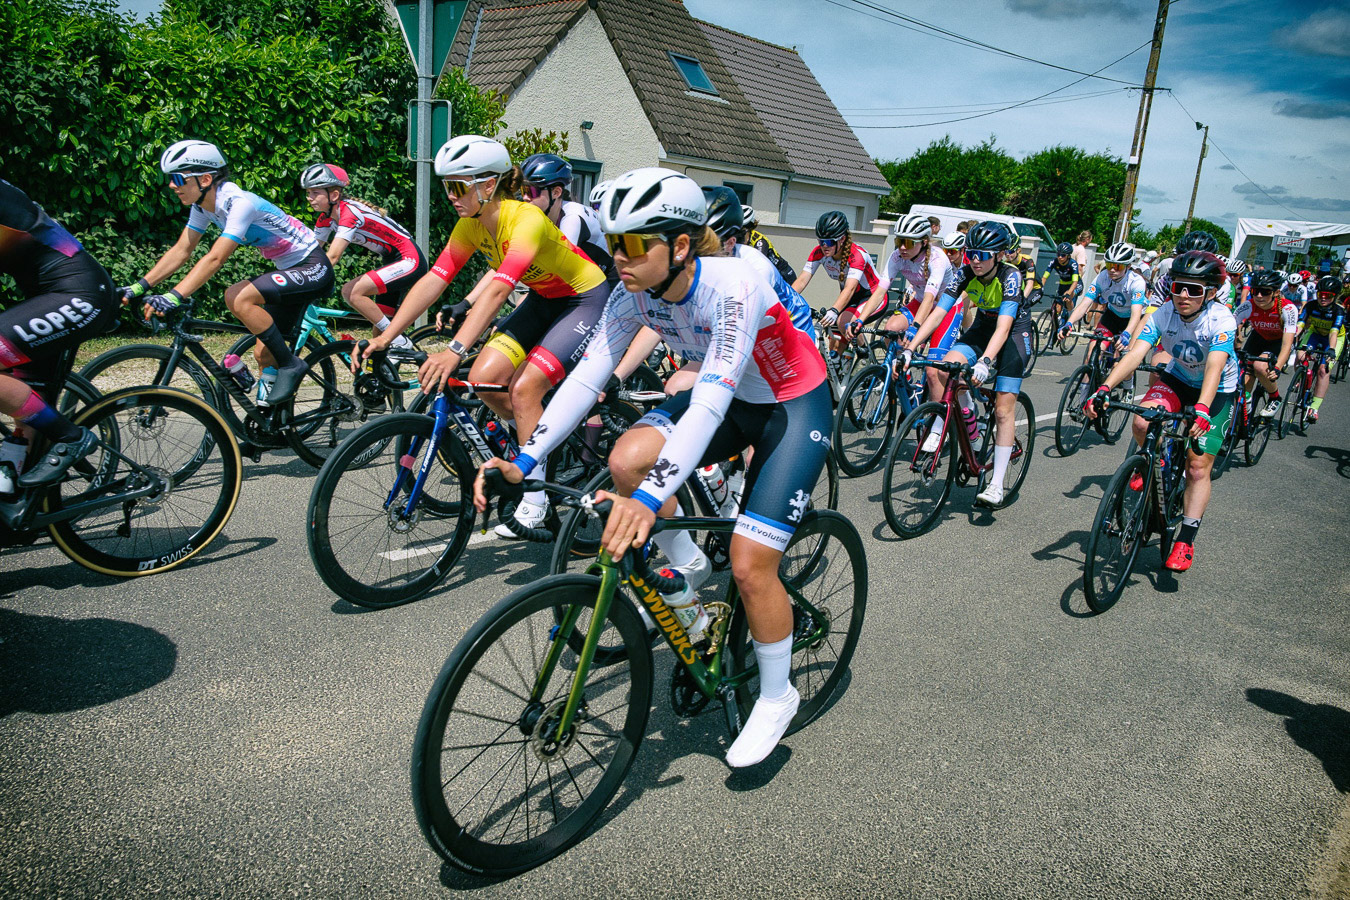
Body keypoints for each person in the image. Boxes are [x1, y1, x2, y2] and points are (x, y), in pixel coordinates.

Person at [472, 168, 831, 768]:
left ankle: (777, 693)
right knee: (626, 459)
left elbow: (711, 397)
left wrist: (650, 500)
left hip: (792, 404)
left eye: (635, 245)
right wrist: (525, 457)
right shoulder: (632, 292)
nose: (619, 259)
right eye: (613, 244)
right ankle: (686, 567)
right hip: (736, 397)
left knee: (749, 564)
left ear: (681, 244)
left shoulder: (734, 284)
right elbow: (587, 375)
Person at [362, 134, 611, 534]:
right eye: (446, 186)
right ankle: (539, 440)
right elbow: (435, 280)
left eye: (458, 186)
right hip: (546, 299)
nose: (451, 196)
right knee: (484, 380)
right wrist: (386, 335)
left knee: (525, 388)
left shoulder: (525, 218)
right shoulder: (469, 226)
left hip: (584, 298)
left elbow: (500, 289)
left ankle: (535, 500)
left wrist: (454, 350)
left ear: (488, 185)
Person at [123, 140, 334, 405]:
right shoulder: (203, 207)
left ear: (205, 179)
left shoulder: (239, 203)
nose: (172, 185)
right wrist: (139, 287)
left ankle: (292, 365)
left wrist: (174, 296)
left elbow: (216, 258)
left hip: (312, 266)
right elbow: (182, 250)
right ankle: (271, 423)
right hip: (290, 269)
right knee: (263, 354)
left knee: (237, 296)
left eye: (178, 178)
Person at [1083, 250, 1238, 573]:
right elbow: (1136, 354)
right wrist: (1105, 387)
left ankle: (1186, 539)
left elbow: (1214, 367)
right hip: (1179, 378)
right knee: (1142, 420)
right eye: (1179, 287)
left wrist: (1203, 410)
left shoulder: (1221, 319)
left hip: (1217, 390)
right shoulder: (1163, 313)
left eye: (1194, 290)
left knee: (1197, 466)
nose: (1183, 295)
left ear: (1210, 292)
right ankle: (1153, 462)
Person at [905, 221, 1034, 508]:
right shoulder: (964, 273)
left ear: (998, 254)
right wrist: (911, 348)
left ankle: (997, 484)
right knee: (941, 368)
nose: (975, 260)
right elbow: (939, 312)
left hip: (1013, 332)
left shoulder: (1010, 276)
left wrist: (986, 362)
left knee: (1003, 410)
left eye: (983, 254)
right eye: (971, 253)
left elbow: (1004, 327)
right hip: (982, 326)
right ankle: (964, 428)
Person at [0, 179, 118, 487]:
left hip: (78, 295)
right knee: (26, 411)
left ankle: (72, 438)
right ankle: (18, 503)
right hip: (48, 297)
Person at [301, 163, 426, 350]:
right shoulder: (325, 217)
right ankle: (383, 373)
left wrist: (306, 281)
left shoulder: (349, 213)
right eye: (308, 193)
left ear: (333, 195)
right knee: (378, 336)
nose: (309, 198)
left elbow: (333, 256)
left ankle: (398, 339)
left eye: (314, 192)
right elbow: (312, 253)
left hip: (409, 259)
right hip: (392, 260)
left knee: (351, 291)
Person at [857, 214, 960, 365]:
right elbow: (879, 292)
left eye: (908, 243)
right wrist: (860, 320)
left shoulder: (937, 259)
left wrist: (915, 326)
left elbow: (929, 298)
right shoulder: (897, 257)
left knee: (935, 370)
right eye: (899, 241)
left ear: (924, 242)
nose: (902, 247)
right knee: (890, 330)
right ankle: (903, 377)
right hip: (920, 302)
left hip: (946, 307)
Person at [792, 211, 882, 355]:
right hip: (850, 300)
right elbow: (802, 280)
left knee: (843, 321)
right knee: (834, 344)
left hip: (872, 296)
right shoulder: (819, 252)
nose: (824, 246)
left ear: (842, 239)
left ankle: (865, 353)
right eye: (820, 241)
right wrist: (783, 300)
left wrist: (834, 310)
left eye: (828, 242)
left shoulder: (857, 255)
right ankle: (838, 372)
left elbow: (850, 288)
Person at [520, 153, 616, 283]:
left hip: (611, 276)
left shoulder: (572, 218)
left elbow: (558, 266)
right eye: (523, 191)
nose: (525, 197)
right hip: (587, 276)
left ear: (556, 192)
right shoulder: (543, 216)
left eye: (532, 191)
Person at [1060, 242, 1147, 375]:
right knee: (1092, 354)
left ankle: (1128, 387)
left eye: (1117, 266)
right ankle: (1085, 391)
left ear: (1128, 266)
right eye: (1109, 265)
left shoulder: (1136, 282)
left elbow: (1136, 315)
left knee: (1122, 362)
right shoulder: (1102, 277)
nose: (1112, 270)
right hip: (1112, 316)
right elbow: (1084, 304)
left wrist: (1127, 334)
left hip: (1131, 321)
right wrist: (1069, 323)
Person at [1233, 268, 1297, 418]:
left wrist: (1278, 367)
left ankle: (1275, 397)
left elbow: (1287, 344)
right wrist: (1235, 344)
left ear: (1275, 292)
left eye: (1265, 292)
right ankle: (1241, 419)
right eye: (1256, 291)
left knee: (1260, 367)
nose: (1259, 296)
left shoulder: (1288, 309)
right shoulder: (1248, 305)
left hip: (1278, 342)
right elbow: (1229, 326)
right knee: (1243, 379)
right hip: (1258, 338)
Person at [1295, 275, 1344, 424]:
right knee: (1300, 355)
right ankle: (1300, 378)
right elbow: (1301, 323)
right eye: (1320, 294)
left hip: (1333, 338)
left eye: (1327, 296)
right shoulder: (1311, 305)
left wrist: (1332, 350)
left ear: (1334, 297)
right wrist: (1292, 337)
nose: (1323, 298)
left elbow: (1334, 331)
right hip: (1315, 333)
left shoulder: (1338, 311)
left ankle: (1314, 408)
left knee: (1324, 369)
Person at [740, 205, 797, 284]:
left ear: (749, 229)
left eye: (741, 232)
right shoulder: (743, 240)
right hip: (773, 275)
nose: (738, 237)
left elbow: (757, 267)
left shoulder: (759, 242)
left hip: (784, 275)